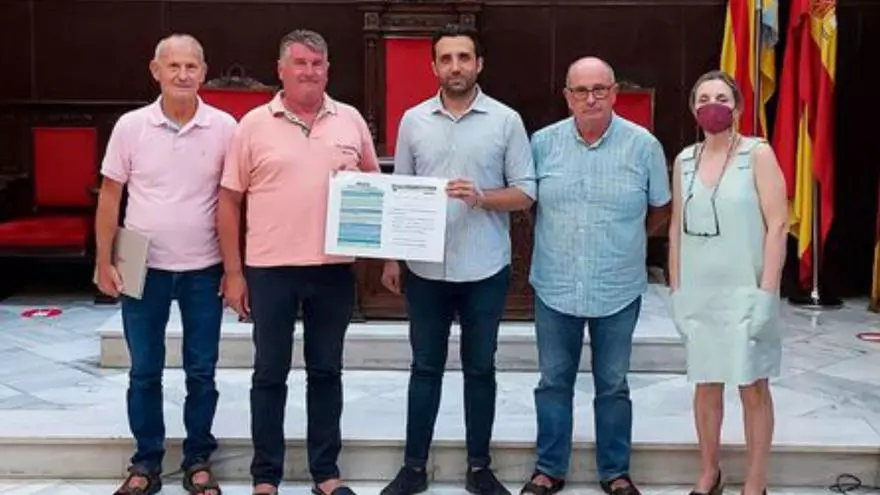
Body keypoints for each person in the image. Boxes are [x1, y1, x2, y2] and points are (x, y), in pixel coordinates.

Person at [217, 29, 380, 495]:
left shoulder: (350, 120)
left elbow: (375, 189)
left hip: (333, 270)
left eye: (317, 63)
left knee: (326, 372)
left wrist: (385, 253)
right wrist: (233, 272)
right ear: (281, 69)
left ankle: (325, 474)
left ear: (327, 69)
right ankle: (265, 476)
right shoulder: (253, 124)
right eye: (300, 63)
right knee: (269, 374)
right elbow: (228, 200)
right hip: (270, 271)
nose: (309, 71)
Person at [379, 22, 536, 495]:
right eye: (446, 58)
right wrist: (392, 259)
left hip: (484, 267)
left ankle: (479, 467)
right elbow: (400, 192)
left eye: (464, 57)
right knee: (424, 368)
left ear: (479, 64)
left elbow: (526, 192)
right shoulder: (413, 121)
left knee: (480, 369)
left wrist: (483, 197)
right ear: (433, 66)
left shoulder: (506, 121)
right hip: (425, 269)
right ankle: (413, 468)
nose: (455, 67)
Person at [522, 57, 671, 495]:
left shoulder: (643, 146)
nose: (591, 99)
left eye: (600, 89)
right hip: (555, 282)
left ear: (615, 93)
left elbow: (661, 208)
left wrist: (626, 241)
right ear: (567, 97)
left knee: (613, 385)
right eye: (581, 91)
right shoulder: (542, 143)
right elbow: (528, 202)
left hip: (617, 285)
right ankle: (549, 468)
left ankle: (615, 472)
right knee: (553, 383)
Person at [94, 34, 236, 495]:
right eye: (173, 66)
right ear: (155, 71)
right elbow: (110, 197)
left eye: (191, 66)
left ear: (203, 71)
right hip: (142, 265)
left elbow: (236, 199)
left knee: (202, 371)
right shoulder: (131, 126)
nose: (182, 74)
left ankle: (198, 459)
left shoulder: (225, 127)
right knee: (144, 370)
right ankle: (146, 462)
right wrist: (103, 260)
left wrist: (236, 267)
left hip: (204, 267)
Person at [667, 70, 786, 495]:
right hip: (700, 291)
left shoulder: (758, 153)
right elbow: (677, 228)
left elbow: (778, 224)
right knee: (705, 384)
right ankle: (709, 472)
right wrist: (676, 289)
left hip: (747, 288)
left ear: (737, 107)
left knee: (753, 387)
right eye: (703, 99)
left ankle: (756, 481)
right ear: (693, 109)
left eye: (721, 98)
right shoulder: (684, 160)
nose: (711, 106)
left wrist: (767, 292)